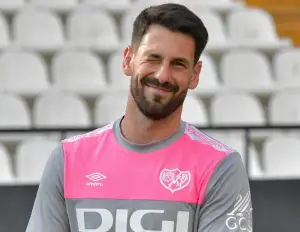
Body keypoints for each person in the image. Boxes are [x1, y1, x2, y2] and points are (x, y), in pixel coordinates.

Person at [26, 3, 253, 232]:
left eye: (178, 64)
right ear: (128, 60)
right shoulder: (68, 160)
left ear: (195, 75)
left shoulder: (219, 167)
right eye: (153, 58)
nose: (162, 75)